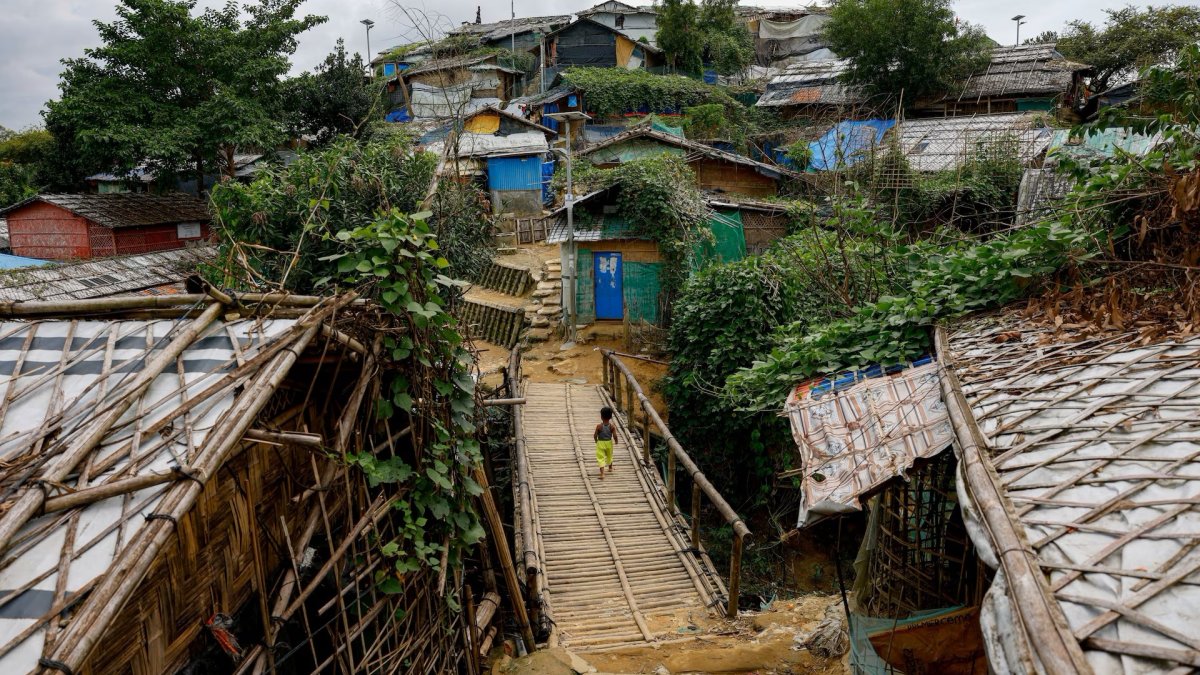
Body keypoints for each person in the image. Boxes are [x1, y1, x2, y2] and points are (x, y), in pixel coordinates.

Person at [594, 406, 617, 479]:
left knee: (600, 457)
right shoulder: (612, 426)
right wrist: (616, 441)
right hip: (609, 443)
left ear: (601, 416)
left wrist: (596, 440)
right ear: (610, 417)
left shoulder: (599, 426)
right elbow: (615, 435)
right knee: (609, 455)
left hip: (600, 443)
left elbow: (595, 435)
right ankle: (610, 468)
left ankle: (602, 474)